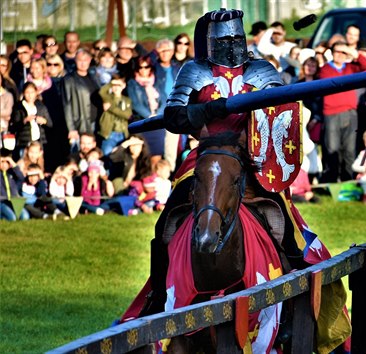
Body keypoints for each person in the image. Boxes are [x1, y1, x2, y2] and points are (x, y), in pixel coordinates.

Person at [138, 9, 351, 353]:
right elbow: (174, 115)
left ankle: (291, 293)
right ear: (210, 42)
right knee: (169, 219)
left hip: (252, 158)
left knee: (285, 222)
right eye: (224, 41)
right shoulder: (194, 70)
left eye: (236, 39)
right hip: (205, 154)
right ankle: (160, 293)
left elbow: (282, 108)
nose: (232, 46)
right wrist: (206, 111)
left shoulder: (261, 69)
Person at [319, 40, 366, 182]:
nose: (341, 55)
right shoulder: (325, 69)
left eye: (343, 52)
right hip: (331, 113)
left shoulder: (351, 67)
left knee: (349, 149)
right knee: (332, 148)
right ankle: (331, 181)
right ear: (332, 53)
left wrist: (352, 52)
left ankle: (348, 180)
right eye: (337, 51)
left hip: (350, 113)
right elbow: (333, 83)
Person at [126, 55, 166, 165]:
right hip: (142, 123)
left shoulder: (156, 81)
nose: (144, 70)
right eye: (141, 67)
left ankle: (153, 179)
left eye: (146, 67)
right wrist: (150, 115)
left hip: (158, 123)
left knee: (157, 154)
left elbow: (164, 99)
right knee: (141, 155)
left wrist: (157, 114)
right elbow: (135, 104)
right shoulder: (132, 83)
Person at [61, 49, 101, 147]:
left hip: (95, 122)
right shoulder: (69, 79)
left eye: (85, 60)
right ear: (75, 60)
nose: (83, 63)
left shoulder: (94, 77)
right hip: (79, 123)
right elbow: (67, 104)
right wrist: (71, 128)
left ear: (90, 60)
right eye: (80, 60)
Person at [153, 38, 182, 172]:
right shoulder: (153, 68)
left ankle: (169, 175)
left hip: (175, 110)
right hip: (158, 111)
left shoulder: (178, 68)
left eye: (168, 50)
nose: (165, 53)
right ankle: (156, 176)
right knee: (157, 148)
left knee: (171, 146)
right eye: (162, 50)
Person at [9, 82, 52, 160]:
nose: (30, 95)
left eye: (32, 92)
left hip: (39, 141)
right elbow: (14, 126)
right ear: (24, 93)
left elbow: (50, 124)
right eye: (27, 92)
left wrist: (43, 121)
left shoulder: (40, 106)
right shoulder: (19, 107)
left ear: (36, 93)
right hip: (24, 141)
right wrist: (24, 120)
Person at [98, 74, 133, 155]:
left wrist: (110, 108)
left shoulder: (127, 100)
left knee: (121, 155)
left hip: (123, 133)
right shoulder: (108, 98)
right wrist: (110, 83)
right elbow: (101, 92)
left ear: (123, 86)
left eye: (119, 85)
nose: (116, 87)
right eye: (114, 85)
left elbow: (128, 115)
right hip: (109, 133)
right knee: (107, 154)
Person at [0, 151, 24, 221]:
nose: (4, 164)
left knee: (25, 217)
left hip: (14, 201)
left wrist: (12, 162)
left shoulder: (12, 174)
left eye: (7, 162)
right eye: (2, 162)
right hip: (2, 202)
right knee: (12, 218)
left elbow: (21, 178)